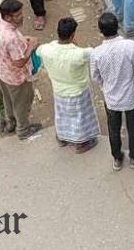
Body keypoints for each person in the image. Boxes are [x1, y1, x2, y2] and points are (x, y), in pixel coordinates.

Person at [90, 12, 134, 170]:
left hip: (111, 99)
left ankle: (117, 158)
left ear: (100, 31)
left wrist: (105, 86)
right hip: (131, 96)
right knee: (133, 127)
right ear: (117, 27)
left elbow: (95, 76)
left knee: (114, 129)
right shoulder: (130, 46)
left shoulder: (96, 53)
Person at [36, 17, 98, 151]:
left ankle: (62, 137)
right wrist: (74, 44)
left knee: (62, 115)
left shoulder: (46, 49)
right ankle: (81, 143)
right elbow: (93, 53)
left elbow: (38, 50)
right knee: (80, 118)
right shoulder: (79, 54)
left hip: (58, 90)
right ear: (73, 35)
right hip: (77, 91)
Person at [0, 0, 40, 139]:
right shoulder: (10, 38)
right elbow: (19, 63)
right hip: (16, 76)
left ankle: (11, 122)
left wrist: (23, 40)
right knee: (22, 102)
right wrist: (31, 46)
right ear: (8, 16)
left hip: (1, 70)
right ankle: (23, 130)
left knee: (8, 99)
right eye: (17, 15)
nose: (21, 16)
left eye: (21, 13)